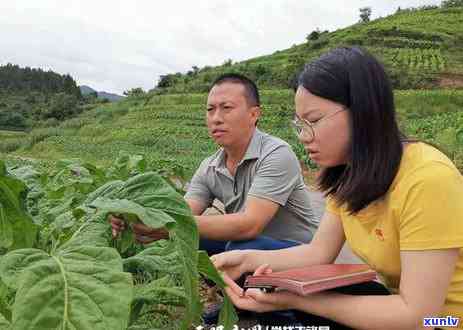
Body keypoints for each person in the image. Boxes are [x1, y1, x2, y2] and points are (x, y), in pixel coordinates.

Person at [212, 47, 463, 329]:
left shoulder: (428, 179)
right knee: (262, 267)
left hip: (444, 320)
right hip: (400, 307)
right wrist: (244, 259)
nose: (304, 137)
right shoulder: (349, 174)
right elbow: (317, 253)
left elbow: (416, 316)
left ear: (363, 112)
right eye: (300, 124)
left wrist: (296, 300)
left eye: (314, 121)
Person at [110, 73, 317, 257]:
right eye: (210, 110)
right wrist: (138, 218)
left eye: (226, 108)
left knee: (239, 250)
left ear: (254, 114)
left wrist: (168, 225)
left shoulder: (276, 153)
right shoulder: (209, 166)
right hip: (249, 247)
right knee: (191, 240)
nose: (216, 118)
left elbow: (250, 225)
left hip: (300, 252)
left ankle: (253, 296)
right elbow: (184, 213)